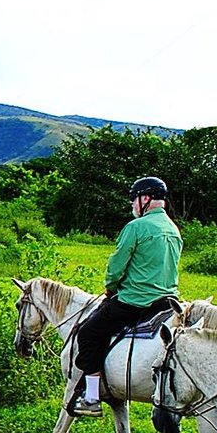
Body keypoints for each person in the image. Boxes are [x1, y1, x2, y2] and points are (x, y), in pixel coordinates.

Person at [69, 176, 183, 416]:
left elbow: (117, 266)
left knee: (88, 333)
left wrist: (110, 287)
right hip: (167, 302)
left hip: (135, 301)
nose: (133, 205)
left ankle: (91, 397)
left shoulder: (136, 228)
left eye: (134, 199)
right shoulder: (173, 229)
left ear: (145, 198)